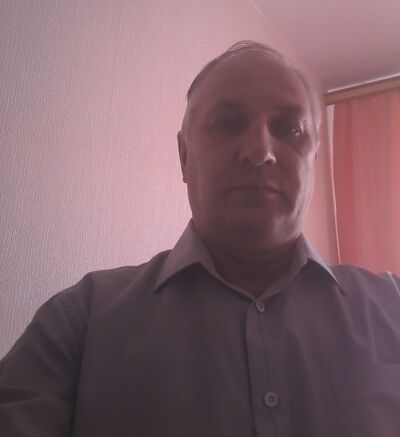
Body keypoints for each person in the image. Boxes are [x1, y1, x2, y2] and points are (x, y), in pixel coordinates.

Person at [0, 41, 399, 437]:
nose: (260, 151)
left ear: (313, 156)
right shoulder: (80, 322)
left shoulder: (392, 308)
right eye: (227, 124)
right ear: (184, 156)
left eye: (289, 128)